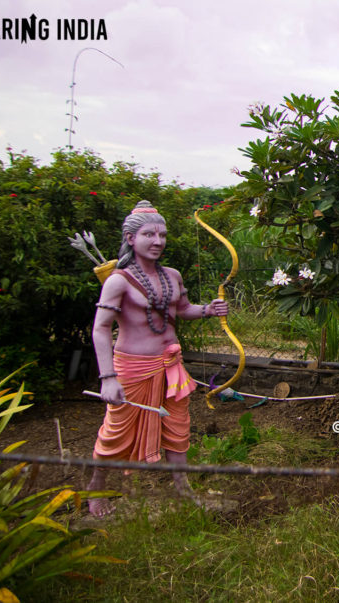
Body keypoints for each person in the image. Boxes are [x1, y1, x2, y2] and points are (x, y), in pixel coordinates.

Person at [86, 200, 229, 517]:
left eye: (162, 235)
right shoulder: (119, 280)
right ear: (130, 237)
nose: (157, 241)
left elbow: (181, 310)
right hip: (133, 368)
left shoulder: (172, 275)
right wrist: (107, 377)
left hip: (171, 367)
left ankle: (183, 490)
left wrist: (207, 310)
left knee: (178, 430)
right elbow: (100, 329)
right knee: (116, 432)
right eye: (149, 234)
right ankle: (96, 491)